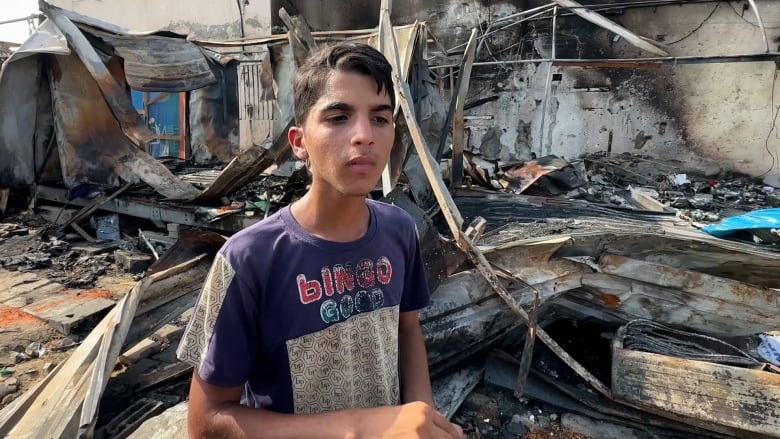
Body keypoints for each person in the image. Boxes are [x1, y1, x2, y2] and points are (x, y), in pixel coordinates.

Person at [176, 42, 463, 439]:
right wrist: (358, 427)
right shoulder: (249, 260)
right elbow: (207, 423)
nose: (364, 136)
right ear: (298, 142)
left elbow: (407, 328)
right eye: (339, 117)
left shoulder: (399, 230)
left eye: (380, 119)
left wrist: (422, 415)